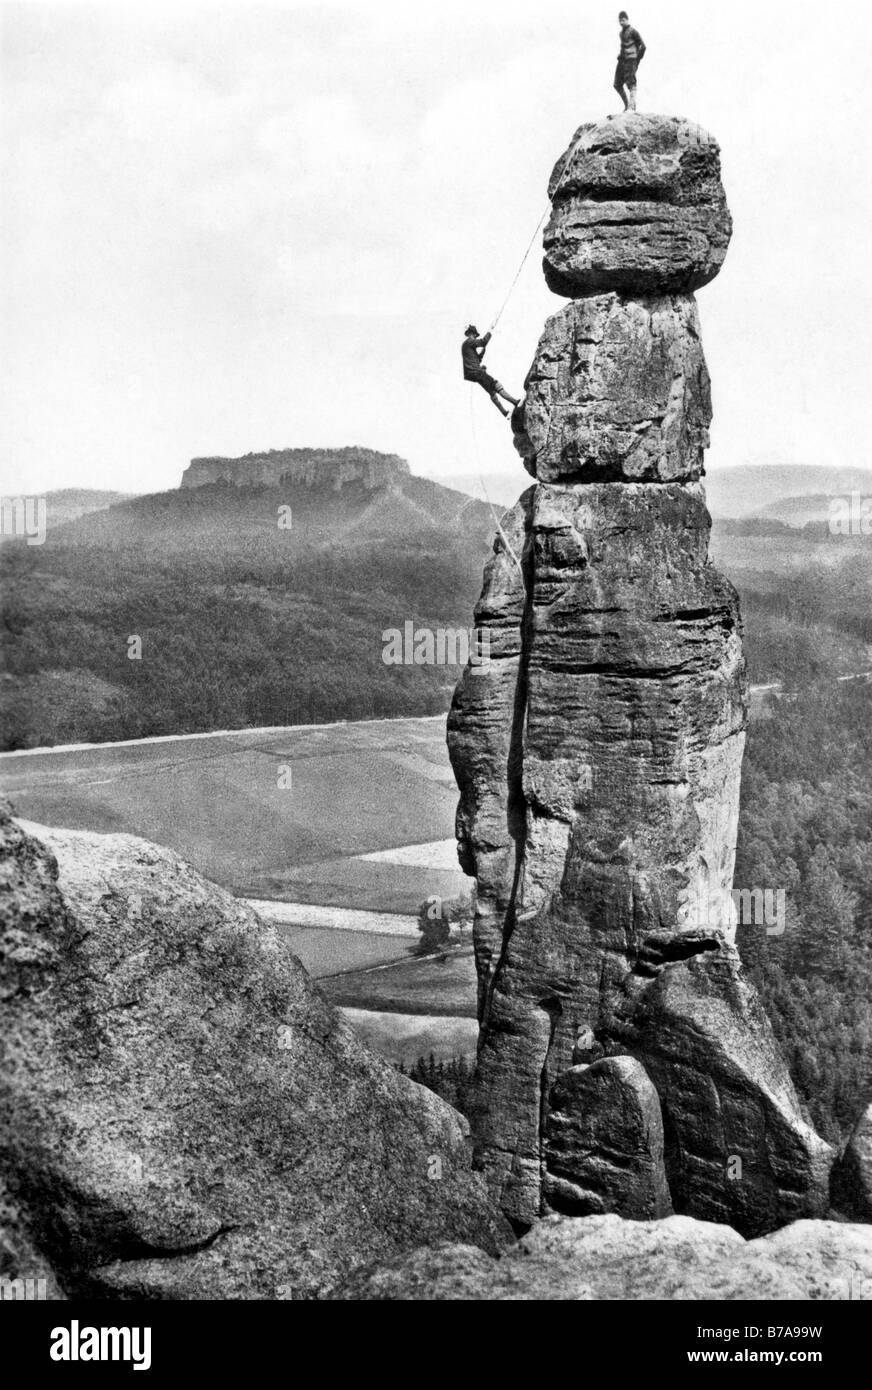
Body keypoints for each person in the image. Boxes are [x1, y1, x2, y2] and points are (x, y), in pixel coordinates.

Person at [461, 325, 520, 418]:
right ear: (471, 334)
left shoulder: (466, 345)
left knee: (491, 391)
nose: (475, 337)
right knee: (496, 385)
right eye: (475, 335)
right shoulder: (470, 341)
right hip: (477, 372)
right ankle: (515, 402)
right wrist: (490, 331)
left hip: (473, 374)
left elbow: (476, 360)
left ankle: (505, 413)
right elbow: (483, 342)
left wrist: (482, 353)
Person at [614, 10, 646, 112]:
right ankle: (627, 105)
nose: (621, 22)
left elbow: (643, 46)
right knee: (617, 84)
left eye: (623, 20)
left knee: (631, 83)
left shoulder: (633, 31)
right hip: (622, 60)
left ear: (627, 20)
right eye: (620, 21)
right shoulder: (621, 33)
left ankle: (631, 108)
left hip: (631, 60)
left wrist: (637, 59)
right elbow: (623, 46)